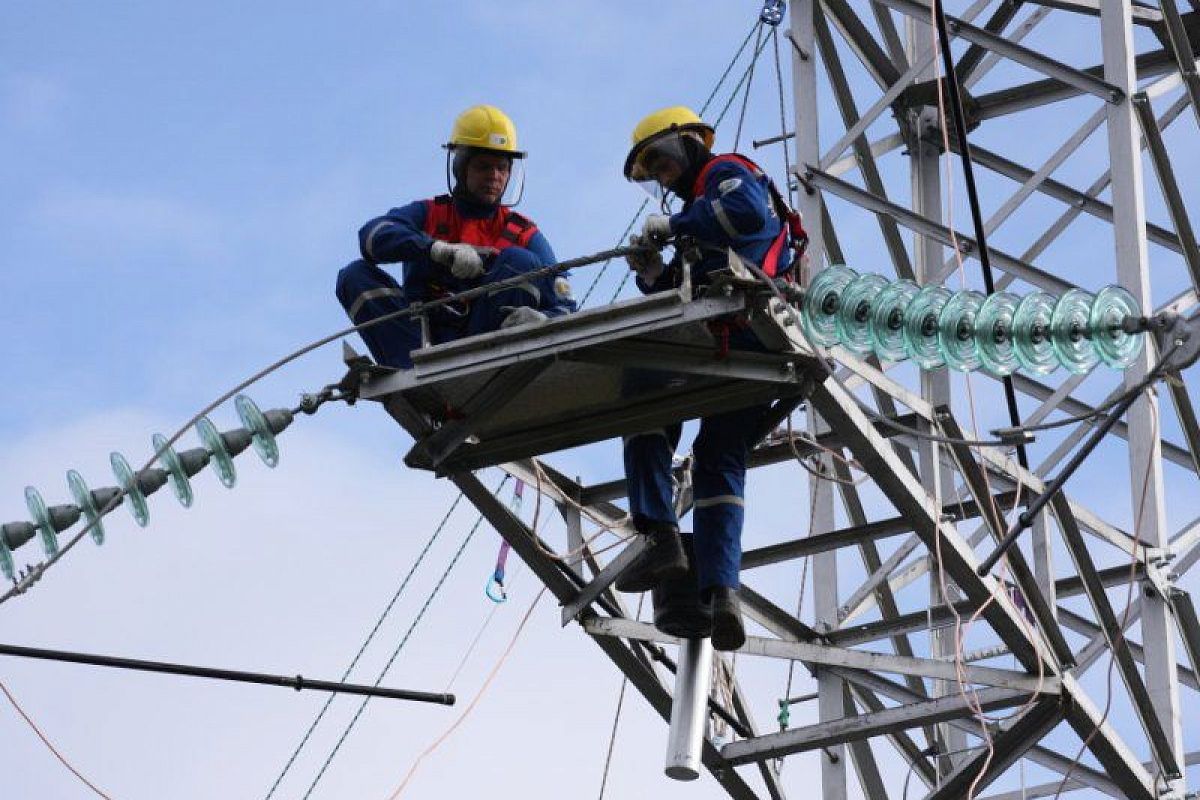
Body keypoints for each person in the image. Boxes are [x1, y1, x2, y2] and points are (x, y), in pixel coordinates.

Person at [613, 106, 806, 651]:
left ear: (689, 142)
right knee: (721, 455)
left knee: (643, 402)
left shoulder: (723, 172)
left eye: (658, 158)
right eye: (647, 169)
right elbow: (692, 274)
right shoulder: (704, 205)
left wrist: (674, 225)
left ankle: (659, 534)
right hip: (757, 341)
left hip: (731, 323)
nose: (657, 173)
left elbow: (742, 211)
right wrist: (655, 274)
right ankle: (723, 591)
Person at [335, 104, 576, 369]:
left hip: (487, 349)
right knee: (353, 276)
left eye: (502, 168)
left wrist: (542, 320)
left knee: (520, 262)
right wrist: (435, 249)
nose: (494, 177)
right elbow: (372, 238)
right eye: (484, 167)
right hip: (419, 341)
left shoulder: (522, 233)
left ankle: (488, 360)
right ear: (461, 168)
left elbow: (565, 304)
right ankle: (409, 371)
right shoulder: (429, 214)